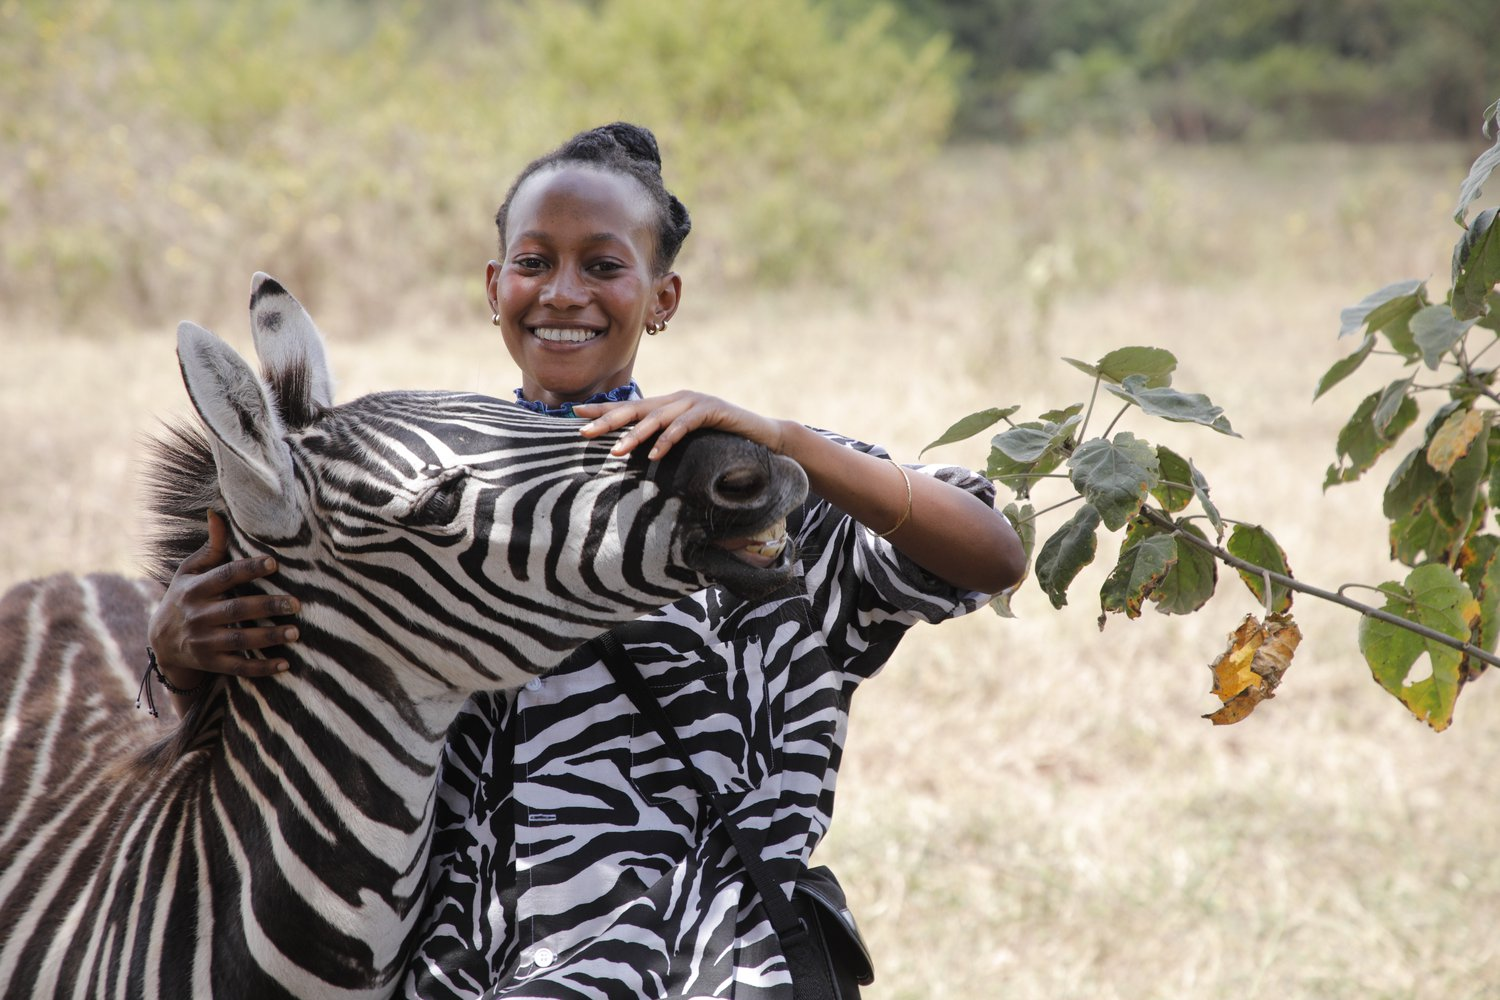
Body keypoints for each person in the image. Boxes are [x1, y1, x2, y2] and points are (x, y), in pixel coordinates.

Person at [147, 122, 1025, 999]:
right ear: (495, 286)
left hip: (714, 972)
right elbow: (293, 744)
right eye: (534, 263)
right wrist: (177, 655)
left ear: (662, 297)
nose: (563, 294)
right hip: (471, 976)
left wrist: (784, 438)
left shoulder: (736, 485)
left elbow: (989, 556)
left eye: (604, 266)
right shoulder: (415, 500)